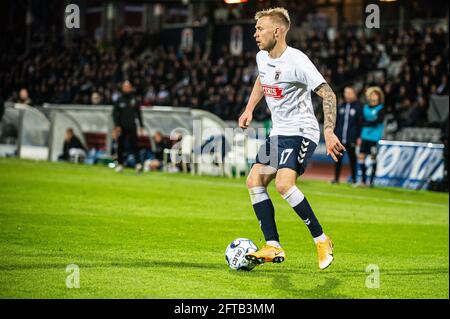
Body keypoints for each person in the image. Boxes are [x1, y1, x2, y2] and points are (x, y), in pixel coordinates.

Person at [238, 8, 345, 270]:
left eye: (260, 29)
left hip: (301, 131)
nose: (255, 34)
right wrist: (250, 108)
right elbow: (262, 81)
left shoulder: (297, 60)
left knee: (284, 185)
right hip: (279, 132)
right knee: (254, 181)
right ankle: (273, 246)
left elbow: (328, 95)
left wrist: (328, 131)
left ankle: (322, 239)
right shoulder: (262, 57)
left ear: (277, 31)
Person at [331, 86, 362, 184]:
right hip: (339, 138)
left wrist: (359, 137)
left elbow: (360, 123)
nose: (347, 95)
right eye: (346, 92)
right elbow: (336, 122)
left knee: (353, 159)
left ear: (354, 94)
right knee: (338, 159)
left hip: (351, 138)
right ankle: (336, 179)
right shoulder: (341, 106)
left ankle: (353, 179)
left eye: (349, 93)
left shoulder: (358, 107)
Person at [113, 80, 145, 173]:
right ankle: (120, 164)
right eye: (125, 86)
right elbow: (115, 114)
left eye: (128, 86)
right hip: (121, 126)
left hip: (132, 126)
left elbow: (138, 113)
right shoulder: (119, 100)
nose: (126, 88)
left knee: (135, 145)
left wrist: (141, 125)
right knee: (120, 146)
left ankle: (138, 164)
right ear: (123, 88)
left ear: (130, 88)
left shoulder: (134, 99)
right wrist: (117, 125)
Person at [357, 86, 385, 187]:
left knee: (373, 157)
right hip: (364, 136)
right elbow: (360, 121)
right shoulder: (365, 108)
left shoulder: (381, 108)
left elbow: (378, 121)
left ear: (379, 97)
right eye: (372, 94)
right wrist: (366, 124)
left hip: (374, 137)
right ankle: (363, 181)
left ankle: (371, 182)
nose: (373, 96)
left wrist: (366, 123)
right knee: (361, 157)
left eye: (375, 94)